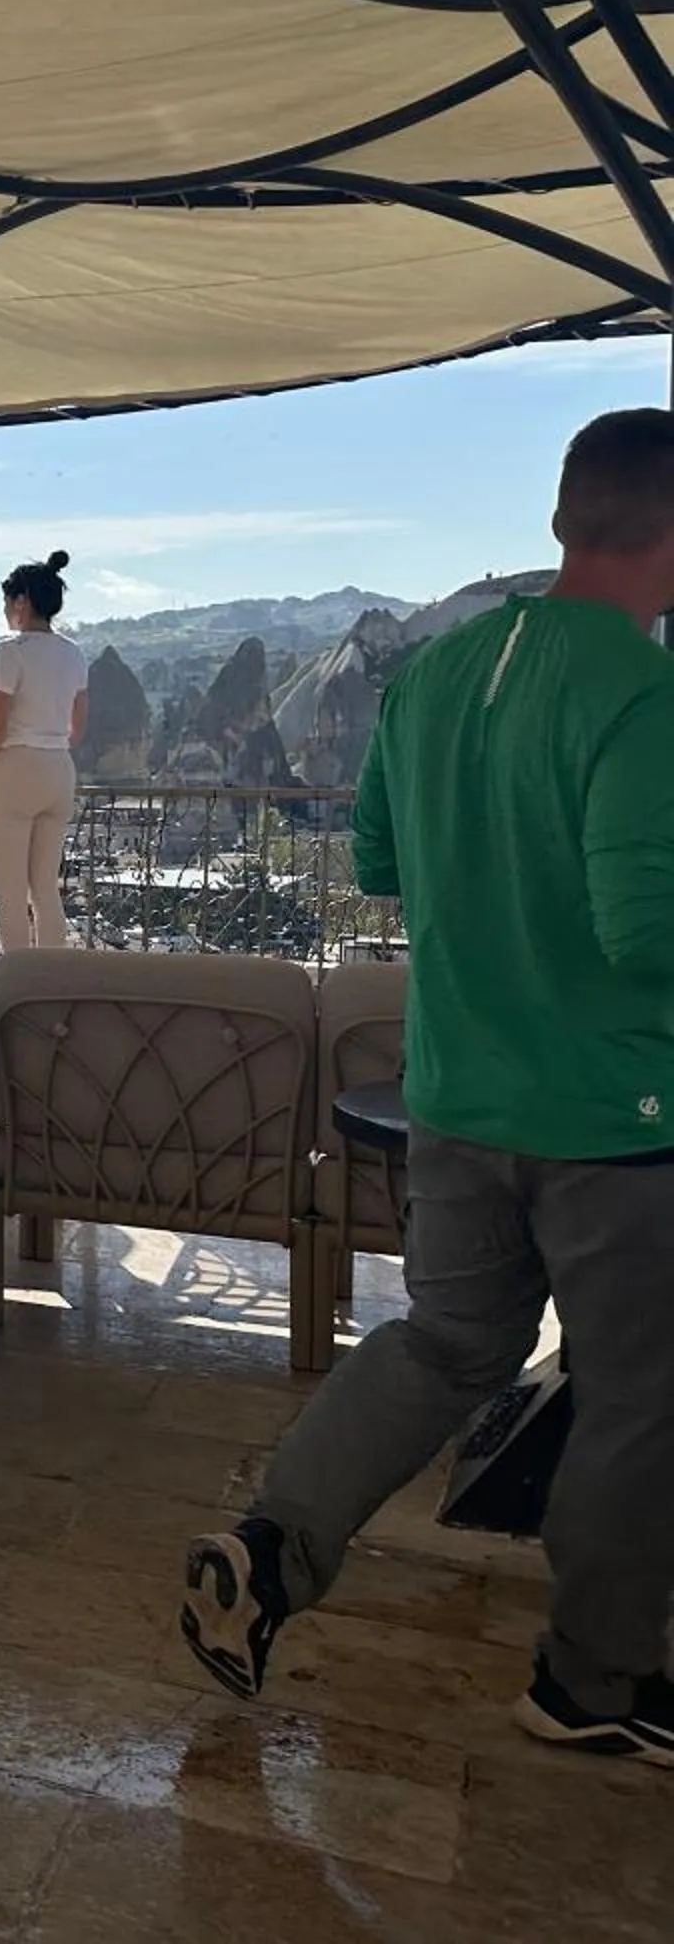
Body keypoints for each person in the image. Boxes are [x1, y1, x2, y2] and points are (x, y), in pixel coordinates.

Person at [178, 409, 674, 1766]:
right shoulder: (644, 694)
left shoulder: (441, 670)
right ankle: (595, 1678)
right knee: (644, 1394)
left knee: (450, 1345)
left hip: (454, 1090)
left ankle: (273, 1545)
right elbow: (647, 927)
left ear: (572, 514)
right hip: (619, 1119)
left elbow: (384, 861)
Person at [0, 549, 89, 951]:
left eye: (7, 602)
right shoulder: (72, 653)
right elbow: (78, 724)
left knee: (10, 891)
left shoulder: (10, 652)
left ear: (21, 601)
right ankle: (52, 977)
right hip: (59, 768)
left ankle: (18, 979)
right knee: (45, 888)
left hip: (15, 767)